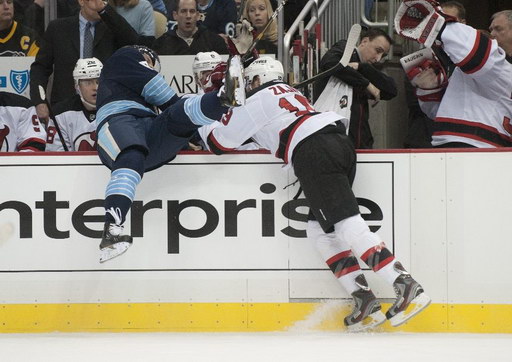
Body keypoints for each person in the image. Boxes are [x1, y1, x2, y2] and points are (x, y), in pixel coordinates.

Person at [199, 56, 431, 331]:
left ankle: (405, 285)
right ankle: (365, 301)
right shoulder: (287, 91)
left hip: (313, 151)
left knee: (345, 223)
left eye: (250, 80)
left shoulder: (255, 101)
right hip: (336, 143)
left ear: (258, 79)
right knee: (321, 231)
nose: (247, 85)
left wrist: (202, 113)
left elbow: (217, 142)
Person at [95, 45, 244, 263]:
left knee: (175, 120)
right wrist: (192, 115)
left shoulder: (134, 79)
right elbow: (164, 96)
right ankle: (112, 230)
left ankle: (223, 99)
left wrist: (190, 124)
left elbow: (175, 110)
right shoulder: (124, 56)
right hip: (118, 119)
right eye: (150, 64)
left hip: (147, 129)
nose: (151, 68)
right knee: (132, 155)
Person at [395, 0, 512, 148]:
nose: (492, 34)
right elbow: (439, 112)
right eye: (491, 29)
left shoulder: (499, 66)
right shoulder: (482, 71)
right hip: (462, 143)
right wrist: (430, 90)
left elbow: (475, 50)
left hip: (474, 145)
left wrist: (439, 24)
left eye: (498, 29)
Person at [29, 0, 141, 125]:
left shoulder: (113, 27)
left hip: (104, 106)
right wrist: (39, 101)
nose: (100, 3)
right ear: (81, 1)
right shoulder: (58, 28)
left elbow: (134, 44)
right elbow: (40, 68)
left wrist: (105, 11)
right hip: (65, 107)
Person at [315, 28, 397, 149]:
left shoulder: (366, 68)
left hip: (360, 143)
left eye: (383, 55)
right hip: (332, 139)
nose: (378, 58)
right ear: (364, 41)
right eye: (377, 50)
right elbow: (329, 63)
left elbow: (392, 90)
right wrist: (367, 84)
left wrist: (362, 67)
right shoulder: (345, 49)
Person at [46, 57, 103, 152]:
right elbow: (56, 158)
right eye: (88, 82)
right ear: (77, 86)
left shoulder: (117, 110)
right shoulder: (60, 114)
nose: (95, 87)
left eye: (98, 81)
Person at [153, 0, 228, 55]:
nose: (188, 16)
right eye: (183, 11)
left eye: (192, 11)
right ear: (175, 15)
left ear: (198, 15)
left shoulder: (215, 42)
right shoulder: (161, 44)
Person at [167, 0, 236, 37]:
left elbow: (226, 40)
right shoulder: (177, 2)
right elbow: (171, 37)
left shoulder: (226, 3)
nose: (188, 15)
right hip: (180, 51)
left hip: (215, 53)